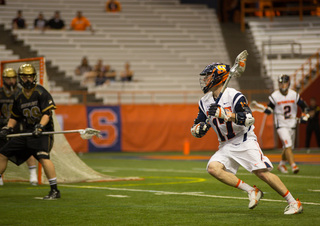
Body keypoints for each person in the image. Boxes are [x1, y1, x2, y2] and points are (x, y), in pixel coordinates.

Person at [191, 62, 302, 215]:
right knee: (213, 168)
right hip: (225, 144)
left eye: (208, 76)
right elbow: (198, 123)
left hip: (244, 139)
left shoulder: (234, 96)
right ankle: (252, 190)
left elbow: (249, 119)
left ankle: (294, 202)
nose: (204, 80)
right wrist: (197, 129)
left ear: (218, 77)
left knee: (262, 172)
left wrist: (226, 115)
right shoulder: (204, 101)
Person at [0, 64, 60, 199]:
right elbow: (14, 116)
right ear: (20, 78)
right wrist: (7, 128)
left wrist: (40, 127)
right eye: (24, 77)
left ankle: (55, 190)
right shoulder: (19, 96)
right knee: (3, 153)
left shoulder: (41, 92)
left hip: (44, 133)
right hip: (28, 132)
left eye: (30, 76)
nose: (27, 80)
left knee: (43, 157)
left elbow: (47, 114)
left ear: (34, 77)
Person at [263, 74, 308, 174]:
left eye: (284, 83)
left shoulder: (293, 94)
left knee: (288, 147)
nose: (283, 85)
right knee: (288, 145)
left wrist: (305, 115)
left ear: (288, 83)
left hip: (292, 124)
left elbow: (304, 107)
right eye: (281, 83)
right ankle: (294, 166)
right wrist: (268, 110)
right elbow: (270, 108)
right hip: (281, 125)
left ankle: (281, 164)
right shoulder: (275, 96)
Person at [0, 68, 38, 186]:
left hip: (18, 124)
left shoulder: (20, 92)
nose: (11, 81)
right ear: (3, 79)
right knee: (2, 152)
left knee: (27, 148)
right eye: (8, 78)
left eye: (13, 78)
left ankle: (33, 174)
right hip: (2, 126)